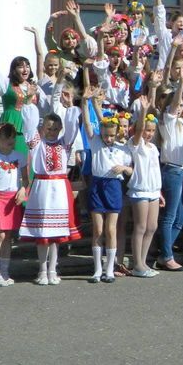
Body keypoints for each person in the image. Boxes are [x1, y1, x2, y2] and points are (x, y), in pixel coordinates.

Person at [19, 113, 82, 285]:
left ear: (60, 129)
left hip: (59, 189)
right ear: (43, 128)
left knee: (56, 234)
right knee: (43, 233)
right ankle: (42, 269)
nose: (52, 132)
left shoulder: (65, 144)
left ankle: (53, 268)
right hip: (42, 188)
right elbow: (29, 125)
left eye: (55, 129)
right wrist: (29, 104)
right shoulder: (37, 144)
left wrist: (70, 108)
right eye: (48, 128)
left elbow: (72, 126)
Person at [82, 102, 133, 284]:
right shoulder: (95, 141)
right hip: (97, 185)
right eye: (106, 135)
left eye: (111, 135)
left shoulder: (123, 148)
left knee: (111, 230)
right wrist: (86, 102)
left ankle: (109, 269)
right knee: (98, 229)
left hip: (113, 187)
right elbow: (88, 123)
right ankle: (97, 269)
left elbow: (131, 170)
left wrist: (124, 168)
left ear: (117, 133)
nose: (108, 138)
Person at [154, 77, 183, 272]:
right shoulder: (167, 119)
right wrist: (181, 84)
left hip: (181, 171)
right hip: (172, 170)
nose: (181, 106)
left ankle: (164, 250)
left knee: (182, 217)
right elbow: (176, 103)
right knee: (170, 216)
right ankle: (166, 256)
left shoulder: (180, 122)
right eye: (178, 104)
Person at [0, 124, 26, 287]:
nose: (10, 141)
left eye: (12, 137)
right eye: (6, 138)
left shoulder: (20, 156)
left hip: (13, 199)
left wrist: (23, 189)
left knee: (8, 236)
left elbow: (25, 180)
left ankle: (5, 271)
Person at [127, 114, 163, 278]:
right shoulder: (136, 144)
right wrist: (143, 110)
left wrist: (159, 191)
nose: (149, 133)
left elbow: (155, 170)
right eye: (147, 130)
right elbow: (139, 129)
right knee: (140, 227)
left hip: (154, 190)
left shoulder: (153, 148)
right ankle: (137, 264)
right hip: (140, 189)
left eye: (152, 130)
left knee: (152, 227)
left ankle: (143, 261)